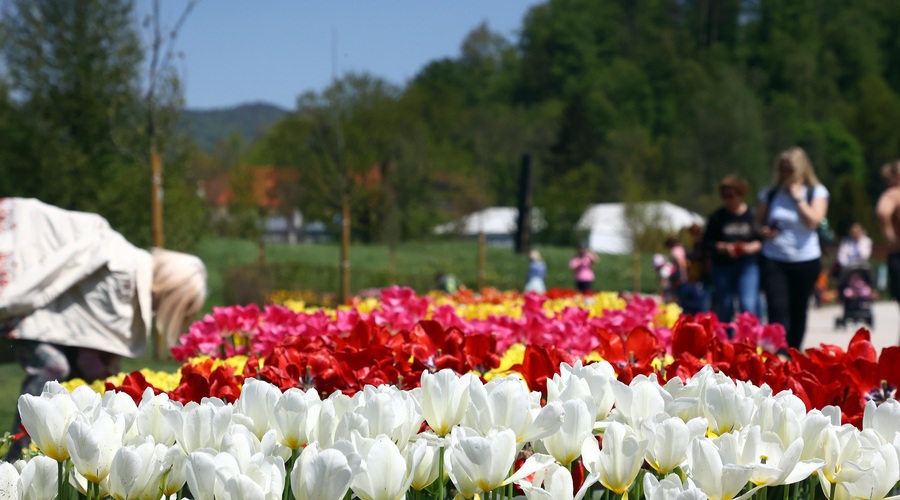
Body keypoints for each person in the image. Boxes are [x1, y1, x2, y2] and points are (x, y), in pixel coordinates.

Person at [0, 198, 208, 459]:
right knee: (54, 369)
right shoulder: (121, 272)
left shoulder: (125, 269)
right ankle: (18, 454)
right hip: (24, 271)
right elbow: (89, 352)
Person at [756, 147, 829, 352]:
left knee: (799, 308)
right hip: (774, 258)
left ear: (801, 169)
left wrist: (798, 198)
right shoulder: (770, 193)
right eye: (782, 169)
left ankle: (793, 351)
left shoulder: (816, 191)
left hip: (805, 259)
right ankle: (775, 351)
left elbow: (814, 221)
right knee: (777, 307)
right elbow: (757, 222)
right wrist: (763, 230)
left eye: (789, 169)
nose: (785, 174)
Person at [702, 175, 762, 322]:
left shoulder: (753, 215)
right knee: (725, 306)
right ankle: (725, 342)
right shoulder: (717, 217)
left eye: (730, 195)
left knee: (747, 304)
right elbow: (706, 242)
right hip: (723, 266)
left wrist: (752, 247)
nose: (727, 200)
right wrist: (722, 246)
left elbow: (762, 240)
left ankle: (749, 339)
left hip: (747, 265)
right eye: (724, 196)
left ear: (740, 194)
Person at [876, 160, 900, 310]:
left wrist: (889, 234)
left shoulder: (892, 194)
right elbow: (883, 212)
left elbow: (882, 213)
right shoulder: (894, 194)